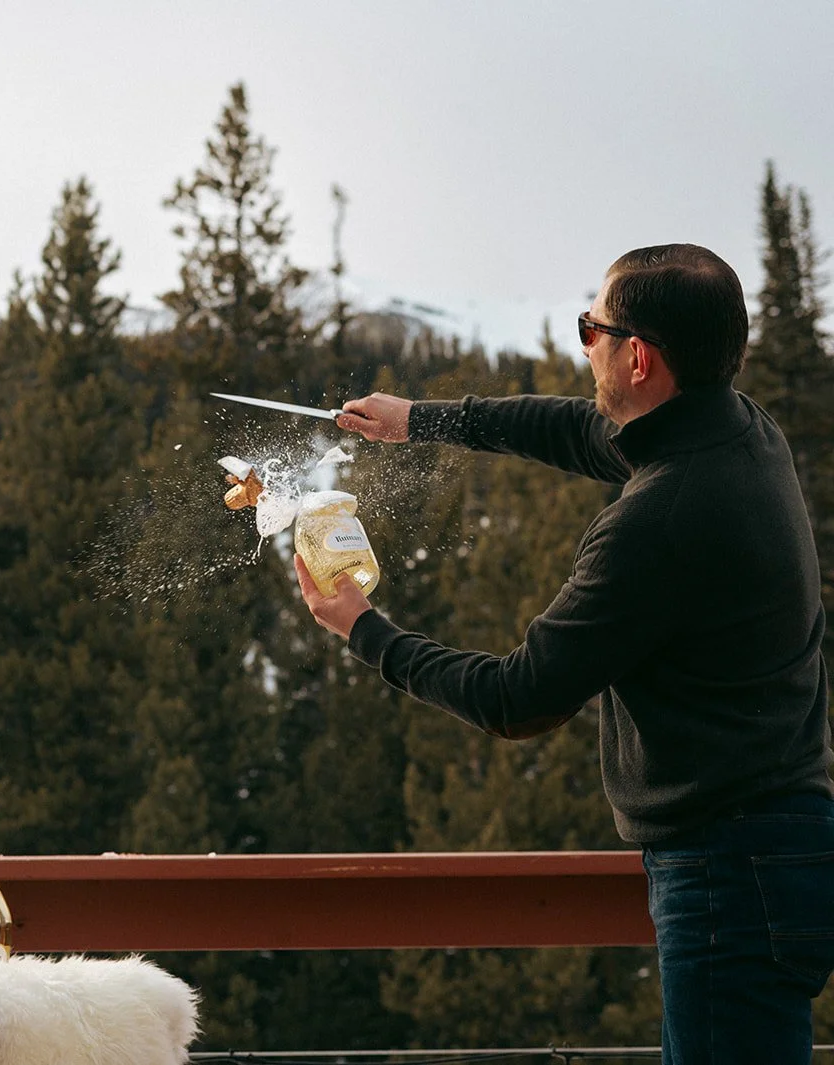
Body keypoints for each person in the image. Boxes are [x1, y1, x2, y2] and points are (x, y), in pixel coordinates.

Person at [298, 244, 834, 1064]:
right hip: (771, 848)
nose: (584, 344)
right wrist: (420, 420)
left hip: (730, 871)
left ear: (638, 357)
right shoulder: (736, 430)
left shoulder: (658, 520)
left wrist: (363, 629)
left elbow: (519, 698)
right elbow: (578, 430)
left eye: (592, 328)